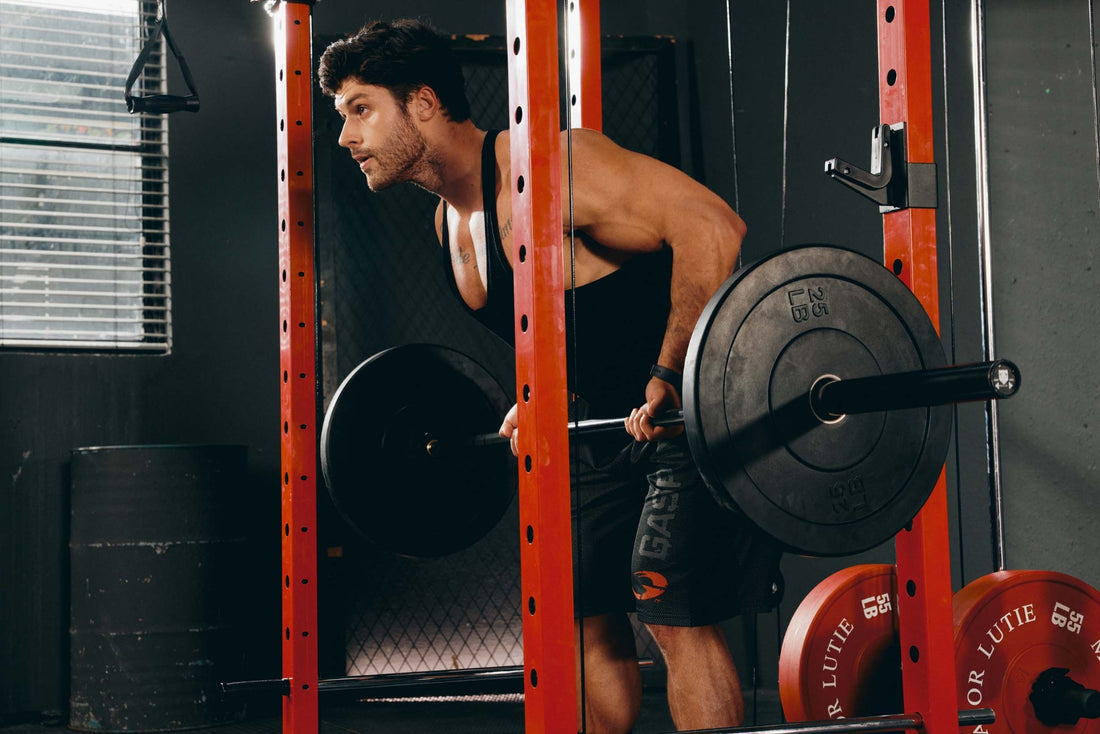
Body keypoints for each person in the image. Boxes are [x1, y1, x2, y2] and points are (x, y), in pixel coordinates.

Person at [318, 19, 783, 733]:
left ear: (422, 103)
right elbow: (564, 326)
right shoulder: (449, 228)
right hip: (596, 426)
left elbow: (713, 227)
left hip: (685, 410)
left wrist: (667, 370)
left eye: (359, 110)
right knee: (577, 614)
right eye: (341, 116)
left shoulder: (558, 163)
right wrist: (541, 396)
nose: (346, 137)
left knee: (670, 615)